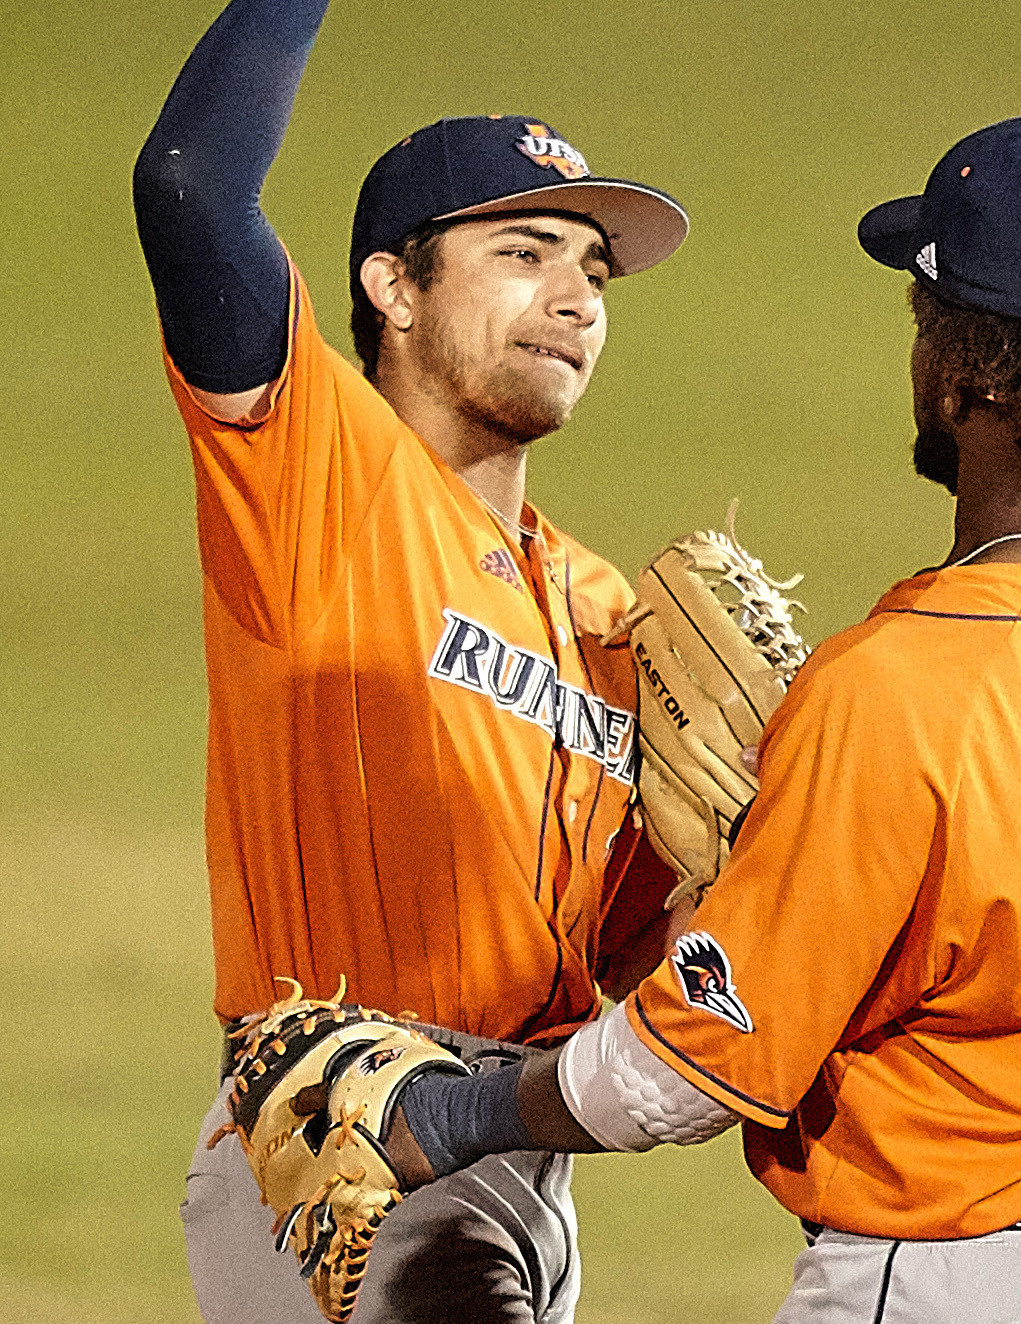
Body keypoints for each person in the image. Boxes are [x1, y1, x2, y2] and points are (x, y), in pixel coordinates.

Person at [320, 6, 1021, 1321]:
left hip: (951, 1282)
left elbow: (681, 1075)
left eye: (925, 313)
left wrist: (447, 1115)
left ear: (966, 376)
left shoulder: (889, 696)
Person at [132, 0, 694, 1319]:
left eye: (593, 274)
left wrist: (726, 875)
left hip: (523, 1157)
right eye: (523, 252)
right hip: (339, 1131)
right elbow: (191, 184)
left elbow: (614, 951)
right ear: (392, 286)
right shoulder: (321, 470)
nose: (573, 299)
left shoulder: (606, 609)